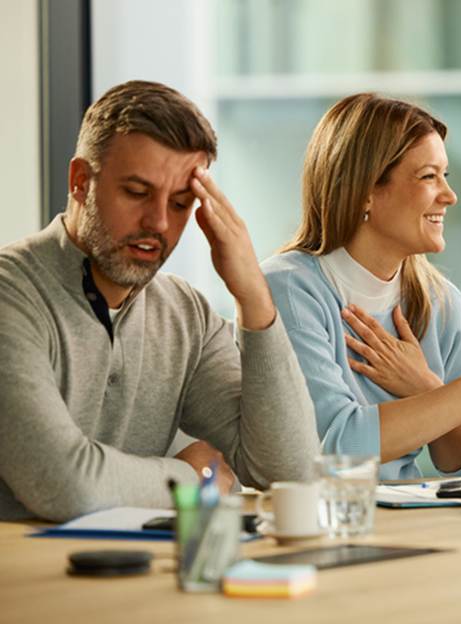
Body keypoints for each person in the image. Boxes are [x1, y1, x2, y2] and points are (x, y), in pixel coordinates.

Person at [0, 80, 319, 522]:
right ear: (79, 182)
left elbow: (292, 472)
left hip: (138, 580)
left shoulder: (185, 314)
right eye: (136, 192)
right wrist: (193, 479)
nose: (158, 221)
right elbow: (64, 485)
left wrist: (251, 294)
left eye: (181, 202)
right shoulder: (10, 295)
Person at [262, 93, 461, 480]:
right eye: (428, 176)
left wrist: (425, 387)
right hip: (321, 524)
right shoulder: (288, 290)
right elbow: (337, 446)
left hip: (411, 521)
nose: (449, 196)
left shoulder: (442, 302)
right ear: (365, 189)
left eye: (444, 176)